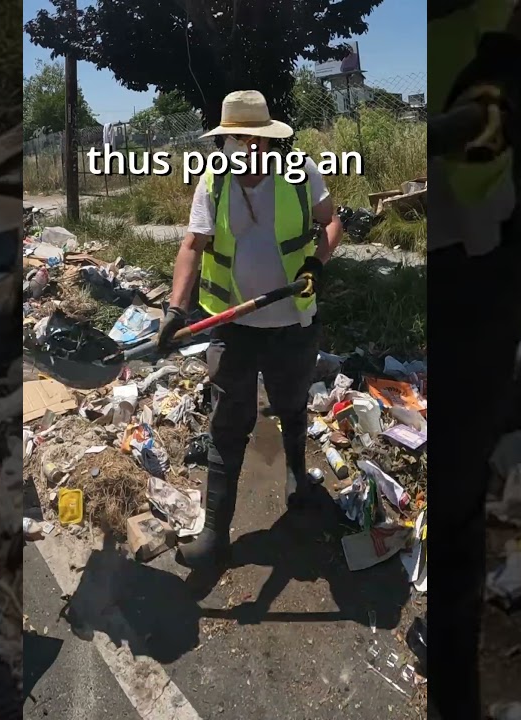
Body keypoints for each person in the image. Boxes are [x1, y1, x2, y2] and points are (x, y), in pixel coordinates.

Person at [431, 1, 521, 718]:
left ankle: (453, 686)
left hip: (471, 258)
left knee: (454, 496)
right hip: (438, 246)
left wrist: (511, 60)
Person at [157, 89, 345, 568]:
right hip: (233, 324)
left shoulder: (300, 173)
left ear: (266, 140)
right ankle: (215, 535)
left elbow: (331, 223)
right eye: (233, 140)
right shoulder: (213, 181)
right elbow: (192, 245)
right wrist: (175, 308)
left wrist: (317, 263)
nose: (242, 149)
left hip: (292, 321)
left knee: (292, 404)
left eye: (250, 140)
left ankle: (297, 476)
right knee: (227, 423)